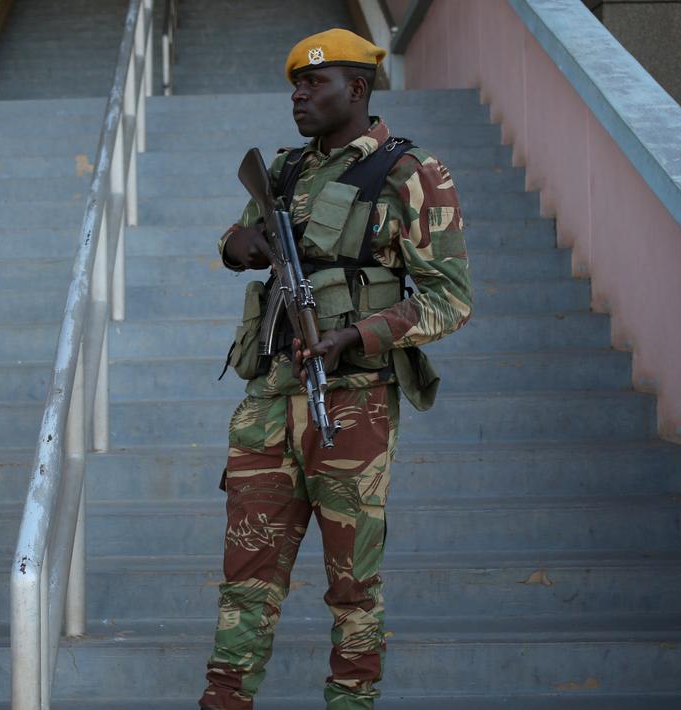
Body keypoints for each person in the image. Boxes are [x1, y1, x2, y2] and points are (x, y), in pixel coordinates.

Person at [199, 30, 472, 710]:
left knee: (353, 585)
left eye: (312, 83)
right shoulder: (285, 170)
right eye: (294, 84)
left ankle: (351, 700)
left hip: (352, 404)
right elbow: (234, 238)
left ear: (356, 88)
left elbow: (450, 298)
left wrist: (355, 334)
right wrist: (240, 244)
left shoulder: (410, 174)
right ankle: (224, 699)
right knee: (245, 579)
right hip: (268, 399)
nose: (298, 95)